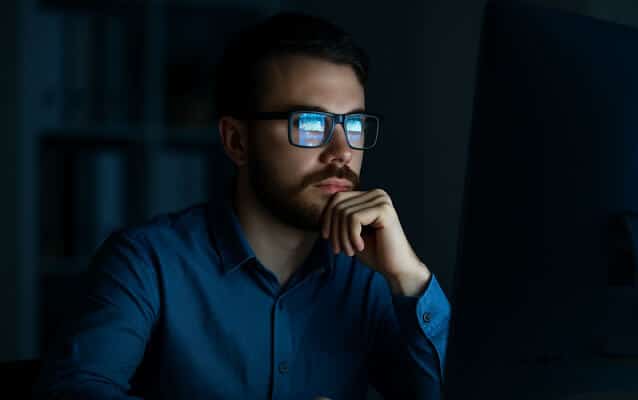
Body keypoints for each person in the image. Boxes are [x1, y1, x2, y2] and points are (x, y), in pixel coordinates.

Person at [33, 12, 451, 400]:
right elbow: (75, 391)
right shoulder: (147, 262)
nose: (342, 152)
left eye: (354, 125)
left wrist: (409, 278)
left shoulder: (368, 276)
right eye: (310, 125)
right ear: (237, 141)